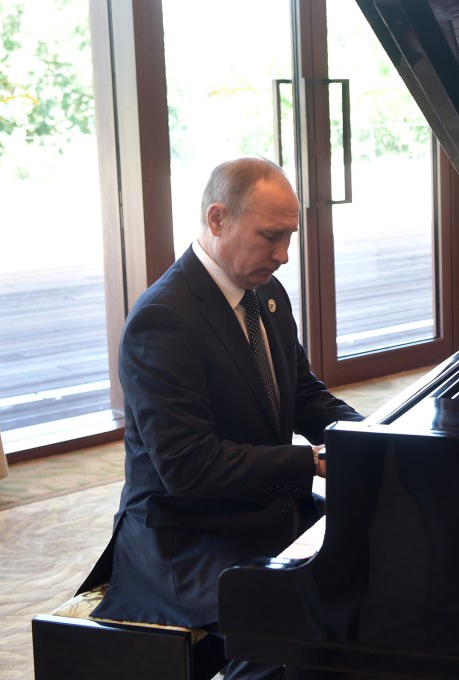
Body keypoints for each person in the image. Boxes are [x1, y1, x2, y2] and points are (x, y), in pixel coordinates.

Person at [78, 157, 363, 679]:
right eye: (270, 237)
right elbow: (188, 469)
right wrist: (313, 463)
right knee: (286, 626)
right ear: (217, 219)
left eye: (289, 236)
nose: (284, 255)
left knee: (376, 567)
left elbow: (305, 396)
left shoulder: (265, 294)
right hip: (187, 535)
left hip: (261, 509)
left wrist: (372, 438)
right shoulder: (164, 320)